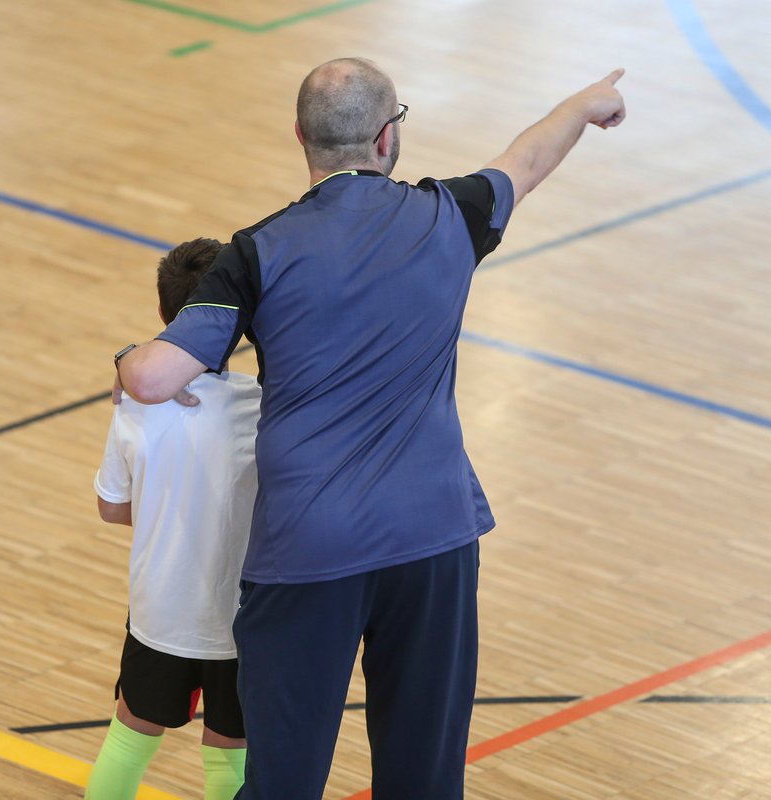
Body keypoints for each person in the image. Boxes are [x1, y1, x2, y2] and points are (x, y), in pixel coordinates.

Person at [115, 58, 626, 799]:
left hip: (308, 554)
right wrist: (582, 106)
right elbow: (525, 160)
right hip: (433, 541)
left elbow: (155, 379)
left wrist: (128, 360)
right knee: (422, 776)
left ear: (301, 136)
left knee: (282, 777)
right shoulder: (451, 216)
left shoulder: (257, 252)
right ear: (388, 138)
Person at [89, 237, 261, 800]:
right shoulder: (265, 406)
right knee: (228, 760)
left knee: (129, 738)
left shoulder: (138, 403)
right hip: (239, 622)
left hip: (160, 609)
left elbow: (112, 507)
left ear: (164, 316)